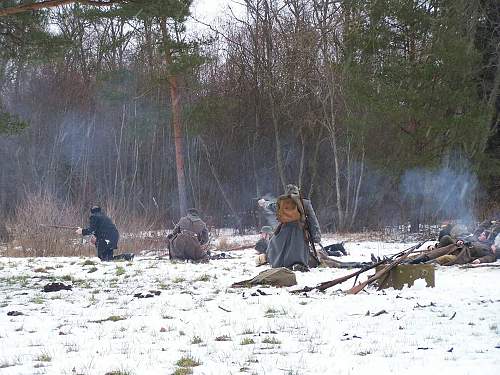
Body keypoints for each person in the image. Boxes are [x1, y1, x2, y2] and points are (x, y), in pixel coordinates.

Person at [258, 184, 321, 272]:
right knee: (298, 250)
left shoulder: (282, 202)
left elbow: (272, 206)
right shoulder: (305, 203)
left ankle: (280, 265)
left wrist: (264, 203)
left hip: (284, 230)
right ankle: (299, 265)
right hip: (299, 230)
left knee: (277, 247)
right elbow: (313, 220)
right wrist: (316, 235)